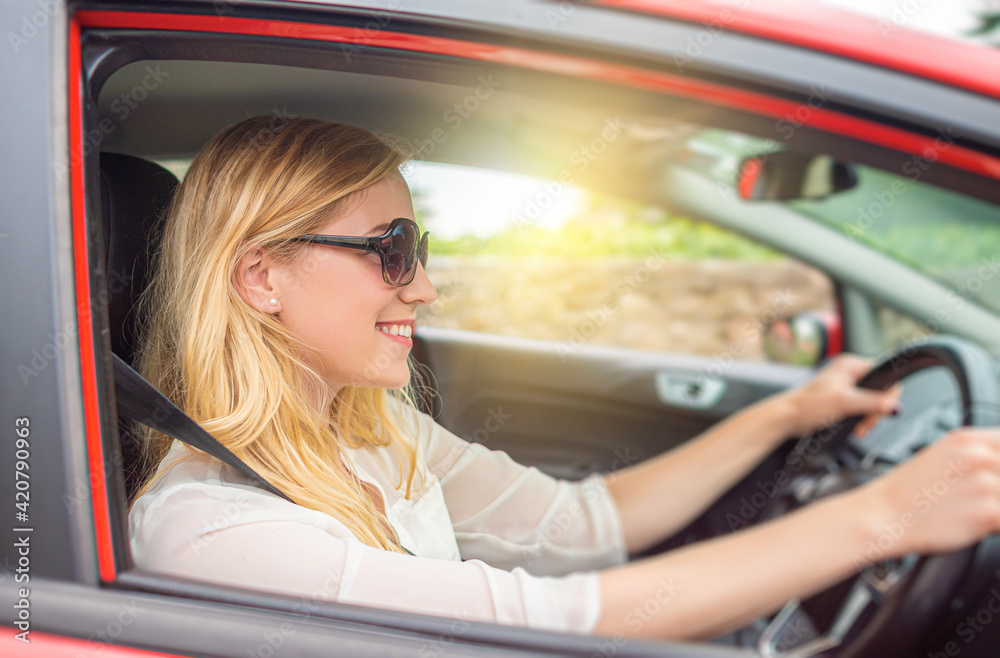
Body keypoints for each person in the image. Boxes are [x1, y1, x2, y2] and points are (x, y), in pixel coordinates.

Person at [128, 115, 1000, 641]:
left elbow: (583, 525)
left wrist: (787, 415)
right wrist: (881, 516)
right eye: (391, 251)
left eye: (419, 249)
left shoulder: (373, 431)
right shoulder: (214, 530)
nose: (424, 285)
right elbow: (548, 622)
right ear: (260, 278)